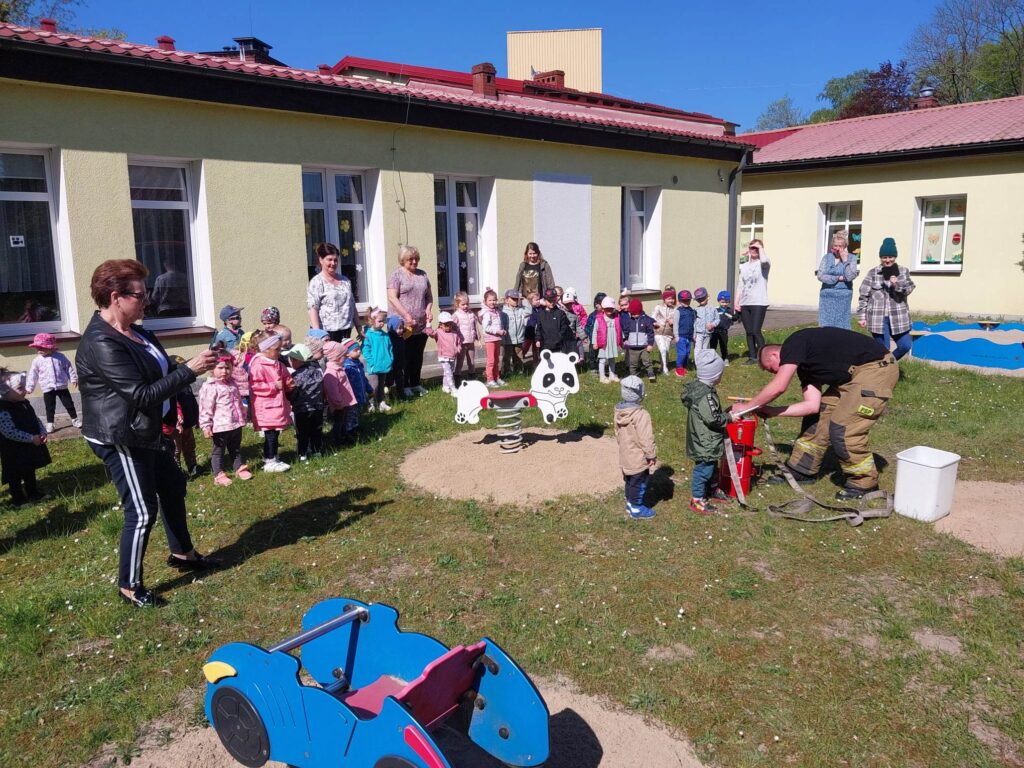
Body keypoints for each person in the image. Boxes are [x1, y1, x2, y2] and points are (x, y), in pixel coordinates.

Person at [76, 259, 220, 608]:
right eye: (140, 295)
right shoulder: (101, 343)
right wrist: (189, 371)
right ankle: (129, 586)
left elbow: (162, 368)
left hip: (148, 430)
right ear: (115, 297)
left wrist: (192, 364)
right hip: (121, 436)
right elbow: (140, 396)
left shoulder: (138, 332)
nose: (147, 301)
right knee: (141, 511)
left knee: (173, 485)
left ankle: (182, 553)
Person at [744, 327, 898, 499]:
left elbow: (779, 386)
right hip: (851, 378)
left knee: (844, 427)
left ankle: (864, 483)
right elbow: (812, 406)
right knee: (818, 418)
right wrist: (773, 412)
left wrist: (747, 407)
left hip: (876, 369)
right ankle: (802, 470)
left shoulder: (793, 343)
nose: (770, 372)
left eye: (769, 368)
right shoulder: (806, 368)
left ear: (773, 355)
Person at [682, 350, 730, 515]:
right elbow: (713, 419)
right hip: (705, 439)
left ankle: (712, 488)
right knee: (704, 468)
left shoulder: (700, 387)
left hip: (703, 437)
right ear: (715, 376)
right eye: (720, 373)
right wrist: (729, 417)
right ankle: (697, 499)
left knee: (711, 464)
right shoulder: (706, 396)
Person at [858, 237, 916, 360]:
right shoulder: (873, 273)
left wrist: (896, 285)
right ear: (881, 258)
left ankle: (889, 365)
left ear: (895, 257)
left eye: (890, 257)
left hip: (899, 317)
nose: (888, 260)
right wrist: (862, 317)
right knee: (883, 350)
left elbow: (909, 288)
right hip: (878, 319)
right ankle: (883, 372)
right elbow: (863, 296)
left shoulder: (903, 271)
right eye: (884, 257)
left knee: (905, 345)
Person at [387, 245, 433, 397]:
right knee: (403, 356)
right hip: (402, 324)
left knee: (417, 355)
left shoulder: (423, 275)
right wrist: (406, 315)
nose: (414, 262)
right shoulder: (396, 275)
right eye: (410, 259)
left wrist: (428, 310)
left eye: (416, 259)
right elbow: (392, 297)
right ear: (403, 260)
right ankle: (403, 385)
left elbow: (429, 297)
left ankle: (416, 383)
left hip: (420, 324)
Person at [0, 370, 51, 506]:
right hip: (13, 451)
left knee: (29, 470)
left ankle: (33, 493)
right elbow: (9, 431)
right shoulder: (3, 409)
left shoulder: (24, 403)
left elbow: (35, 419)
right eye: (19, 388)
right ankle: (18, 499)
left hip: (29, 447)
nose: (26, 390)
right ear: (4, 391)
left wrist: (42, 432)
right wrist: (30, 438)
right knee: (15, 475)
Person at [198, 355, 251, 486]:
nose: (224, 371)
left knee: (236, 448)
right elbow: (205, 408)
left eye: (228, 368)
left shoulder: (232, 383)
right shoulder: (210, 386)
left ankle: (238, 467)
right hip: (220, 427)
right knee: (218, 451)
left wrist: (243, 417)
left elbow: (238, 402)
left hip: (235, 424)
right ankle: (218, 473)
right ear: (212, 369)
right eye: (220, 368)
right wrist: (206, 426)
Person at [248, 331, 293, 472]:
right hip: (265, 407)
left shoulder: (275, 363)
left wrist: (289, 382)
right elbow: (255, 386)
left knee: (274, 433)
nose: (279, 352)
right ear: (266, 349)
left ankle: (273, 457)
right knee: (270, 434)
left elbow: (283, 375)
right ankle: (270, 461)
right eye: (277, 349)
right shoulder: (258, 365)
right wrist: (274, 386)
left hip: (276, 405)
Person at [614, 375, 656, 520]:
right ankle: (636, 508)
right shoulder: (641, 415)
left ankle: (630, 503)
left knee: (630, 480)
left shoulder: (619, 412)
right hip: (638, 456)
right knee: (640, 482)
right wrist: (650, 455)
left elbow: (617, 433)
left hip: (625, 454)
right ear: (640, 394)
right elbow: (646, 438)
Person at [25, 332, 80, 432]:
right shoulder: (37, 361)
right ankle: (50, 423)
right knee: (50, 407)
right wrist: (30, 387)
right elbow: (33, 375)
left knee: (69, 404)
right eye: (37, 348)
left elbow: (68, 368)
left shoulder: (60, 357)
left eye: (42, 347)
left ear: (50, 347)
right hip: (47, 387)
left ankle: (75, 419)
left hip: (62, 386)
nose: (39, 350)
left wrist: (73, 379)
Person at [308, 242, 358, 342]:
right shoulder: (317, 282)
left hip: (345, 331)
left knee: (345, 357)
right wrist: (318, 333)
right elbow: (313, 308)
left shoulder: (345, 281)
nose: (333, 263)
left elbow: (352, 304)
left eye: (335, 260)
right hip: (327, 334)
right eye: (329, 260)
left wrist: (359, 327)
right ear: (321, 260)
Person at [285, 344, 325, 460]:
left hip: (302, 409)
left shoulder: (296, 376)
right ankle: (316, 451)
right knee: (316, 430)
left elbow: (293, 393)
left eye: (291, 359)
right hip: (317, 408)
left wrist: (290, 399)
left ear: (296, 360)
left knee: (302, 432)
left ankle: (302, 453)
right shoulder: (318, 372)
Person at [734, 239, 770, 364]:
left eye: (756, 248)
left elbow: (764, 259)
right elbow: (740, 285)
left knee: (756, 330)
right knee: (749, 331)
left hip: (759, 302)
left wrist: (759, 247)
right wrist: (736, 302)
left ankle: (763, 357)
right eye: (752, 248)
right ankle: (752, 356)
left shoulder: (764, 263)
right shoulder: (744, 266)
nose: (754, 250)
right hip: (745, 302)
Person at [817, 230, 859, 329]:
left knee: (842, 326)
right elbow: (820, 275)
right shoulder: (826, 257)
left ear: (845, 247)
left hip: (843, 295)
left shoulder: (851, 258)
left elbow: (850, 276)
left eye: (840, 246)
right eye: (835, 246)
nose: (837, 248)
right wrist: (838, 278)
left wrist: (845, 261)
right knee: (826, 325)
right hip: (827, 295)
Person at [323, 341, 357, 445]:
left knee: (343, 421)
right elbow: (333, 391)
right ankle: (337, 440)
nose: (346, 358)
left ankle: (344, 435)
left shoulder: (339, 369)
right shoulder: (330, 373)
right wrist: (338, 403)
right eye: (343, 356)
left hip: (344, 402)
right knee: (338, 422)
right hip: (339, 405)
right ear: (336, 357)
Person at [361, 308, 394, 412]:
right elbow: (365, 350)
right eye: (380, 321)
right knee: (373, 386)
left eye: (383, 321)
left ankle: (381, 402)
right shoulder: (368, 335)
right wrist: (372, 363)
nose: (382, 324)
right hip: (374, 366)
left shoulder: (385, 335)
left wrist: (390, 359)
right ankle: (370, 403)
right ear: (371, 321)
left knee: (381, 385)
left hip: (384, 365)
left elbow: (390, 348)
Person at [425, 311, 463, 393]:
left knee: (448, 372)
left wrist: (458, 349)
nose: (448, 326)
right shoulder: (438, 332)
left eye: (450, 324)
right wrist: (428, 323)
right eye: (446, 325)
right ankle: (453, 388)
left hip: (453, 356)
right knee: (449, 373)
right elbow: (430, 333)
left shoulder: (454, 333)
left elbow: (459, 343)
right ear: (441, 325)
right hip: (444, 357)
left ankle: (445, 386)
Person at [620, 298, 656, 382]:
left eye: (636, 313)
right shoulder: (629, 320)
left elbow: (650, 332)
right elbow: (625, 331)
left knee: (647, 361)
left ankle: (651, 374)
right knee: (633, 363)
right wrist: (624, 339)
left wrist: (650, 344)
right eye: (632, 313)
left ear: (640, 311)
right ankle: (633, 376)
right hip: (632, 347)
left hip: (644, 347)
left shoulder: (646, 320)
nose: (634, 315)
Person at [478, 288, 505, 387]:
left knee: (497, 359)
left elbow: (497, 324)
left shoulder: (496, 311)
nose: (493, 302)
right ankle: (489, 380)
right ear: (485, 301)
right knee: (491, 360)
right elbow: (486, 327)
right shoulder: (486, 313)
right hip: (490, 339)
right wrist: (497, 331)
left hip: (497, 338)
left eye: (494, 300)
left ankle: (496, 377)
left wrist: (501, 330)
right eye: (490, 300)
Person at [591, 296, 621, 383]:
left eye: (611, 309)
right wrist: (594, 343)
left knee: (612, 359)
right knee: (602, 359)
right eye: (607, 309)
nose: (609, 311)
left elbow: (619, 330)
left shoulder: (616, 318)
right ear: (603, 309)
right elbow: (595, 331)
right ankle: (602, 377)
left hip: (612, 342)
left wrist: (621, 340)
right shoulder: (599, 319)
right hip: (603, 343)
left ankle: (612, 375)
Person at [535, 287, 573, 355]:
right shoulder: (540, 314)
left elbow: (564, 329)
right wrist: (538, 340)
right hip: (545, 346)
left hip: (558, 346)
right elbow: (539, 329)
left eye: (553, 300)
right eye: (549, 301)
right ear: (545, 300)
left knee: (558, 364)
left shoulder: (560, 313)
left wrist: (558, 339)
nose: (552, 303)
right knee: (545, 364)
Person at [501, 289, 530, 377]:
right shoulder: (503, 312)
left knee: (518, 356)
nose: (515, 301)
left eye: (517, 299)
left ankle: (519, 372)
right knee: (506, 357)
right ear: (506, 300)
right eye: (513, 299)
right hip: (508, 340)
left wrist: (523, 299)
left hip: (519, 339)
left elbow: (529, 310)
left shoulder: (521, 310)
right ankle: (506, 373)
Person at [341, 339, 374, 415]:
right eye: (355, 350)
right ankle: (351, 427)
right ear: (347, 354)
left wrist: (369, 389)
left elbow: (364, 379)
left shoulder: (358, 364)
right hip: (351, 398)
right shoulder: (347, 368)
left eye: (359, 349)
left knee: (359, 414)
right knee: (351, 415)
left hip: (360, 395)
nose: (359, 351)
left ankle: (357, 425)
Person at [451, 291, 478, 382]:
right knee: (460, 362)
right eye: (463, 304)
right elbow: (453, 330)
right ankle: (457, 378)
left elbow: (475, 326)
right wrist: (455, 342)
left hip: (470, 342)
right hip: (461, 343)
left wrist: (477, 337)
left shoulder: (471, 314)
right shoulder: (456, 315)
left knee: (472, 361)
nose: (466, 306)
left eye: (467, 304)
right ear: (457, 304)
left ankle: (472, 378)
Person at [652, 287, 677, 376]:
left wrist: (673, 322)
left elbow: (677, 321)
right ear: (664, 299)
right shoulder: (658, 307)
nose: (671, 300)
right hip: (658, 332)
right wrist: (656, 323)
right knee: (662, 349)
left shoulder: (675, 310)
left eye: (673, 298)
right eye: (669, 299)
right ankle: (665, 368)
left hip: (669, 334)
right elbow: (652, 318)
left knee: (665, 350)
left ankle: (662, 366)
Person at [559, 288, 587, 363]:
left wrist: (583, 337)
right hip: (562, 338)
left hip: (571, 337)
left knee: (571, 353)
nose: (568, 305)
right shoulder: (559, 313)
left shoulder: (574, 315)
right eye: (566, 304)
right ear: (561, 303)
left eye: (570, 304)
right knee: (563, 353)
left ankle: (573, 366)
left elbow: (578, 326)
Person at [710, 291, 737, 363]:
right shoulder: (715, 309)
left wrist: (734, 317)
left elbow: (734, 318)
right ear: (718, 301)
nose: (724, 304)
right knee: (713, 345)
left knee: (724, 346)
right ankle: (712, 359)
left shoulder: (729, 310)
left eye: (726, 302)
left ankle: (725, 358)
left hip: (724, 331)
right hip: (714, 331)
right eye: (722, 302)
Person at [674, 290, 696, 377]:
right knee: (682, 353)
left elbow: (694, 323)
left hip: (689, 336)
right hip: (681, 336)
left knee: (687, 353)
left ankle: (684, 367)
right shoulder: (678, 311)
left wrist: (694, 334)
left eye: (688, 300)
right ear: (679, 301)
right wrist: (676, 336)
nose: (687, 302)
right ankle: (678, 368)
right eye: (684, 300)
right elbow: (675, 324)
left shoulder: (691, 311)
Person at [692, 287, 719, 353]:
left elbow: (717, 319)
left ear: (707, 296)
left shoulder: (712, 308)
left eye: (703, 298)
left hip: (708, 333)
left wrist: (713, 325)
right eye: (699, 299)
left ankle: (704, 362)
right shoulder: (696, 310)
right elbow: (694, 322)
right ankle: (698, 362)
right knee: (697, 349)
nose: (701, 300)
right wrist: (694, 334)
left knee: (705, 349)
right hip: (699, 333)